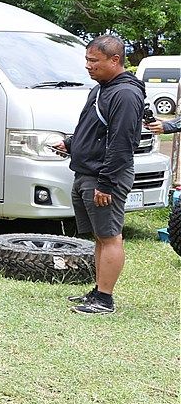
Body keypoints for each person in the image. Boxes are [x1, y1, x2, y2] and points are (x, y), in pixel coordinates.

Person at [56, 35, 145, 315]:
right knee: (99, 235)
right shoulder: (100, 90)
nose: (87, 66)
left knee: (110, 236)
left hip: (105, 178)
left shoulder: (126, 94)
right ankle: (98, 289)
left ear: (114, 60)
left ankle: (105, 299)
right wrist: (71, 144)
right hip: (86, 172)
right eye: (86, 59)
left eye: (93, 61)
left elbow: (122, 142)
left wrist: (106, 183)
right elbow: (92, 127)